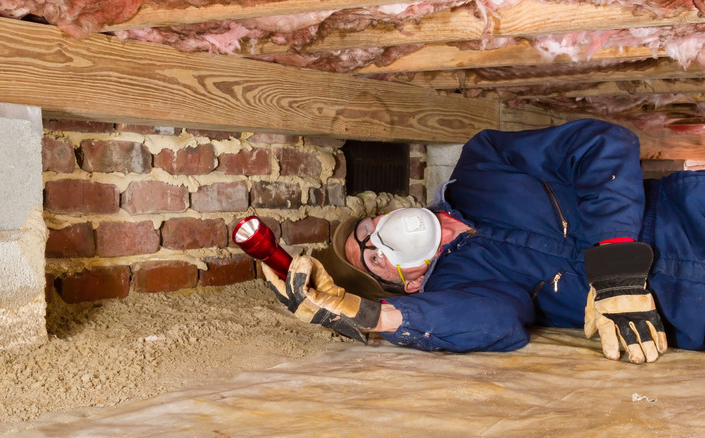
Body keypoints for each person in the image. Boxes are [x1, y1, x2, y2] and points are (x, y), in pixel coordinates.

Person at [262, 118, 705, 364]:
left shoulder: (482, 163)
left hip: (690, 215)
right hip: (685, 311)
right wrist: (371, 315)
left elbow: (601, 144)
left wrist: (615, 267)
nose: (379, 239)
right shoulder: (460, 288)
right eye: (374, 258)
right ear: (410, 283)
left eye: (367, 230)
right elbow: (496, 325)